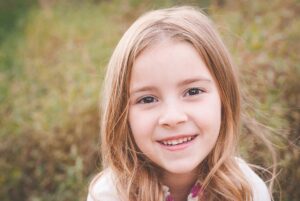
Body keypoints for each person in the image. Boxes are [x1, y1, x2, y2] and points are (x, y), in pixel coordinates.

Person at [87, 6, 271, 201]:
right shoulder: (109, 195)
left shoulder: (247, 190)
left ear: (224, 98)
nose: (173, 118)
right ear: (122, 115)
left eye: (193, 91)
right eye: (147, 99)